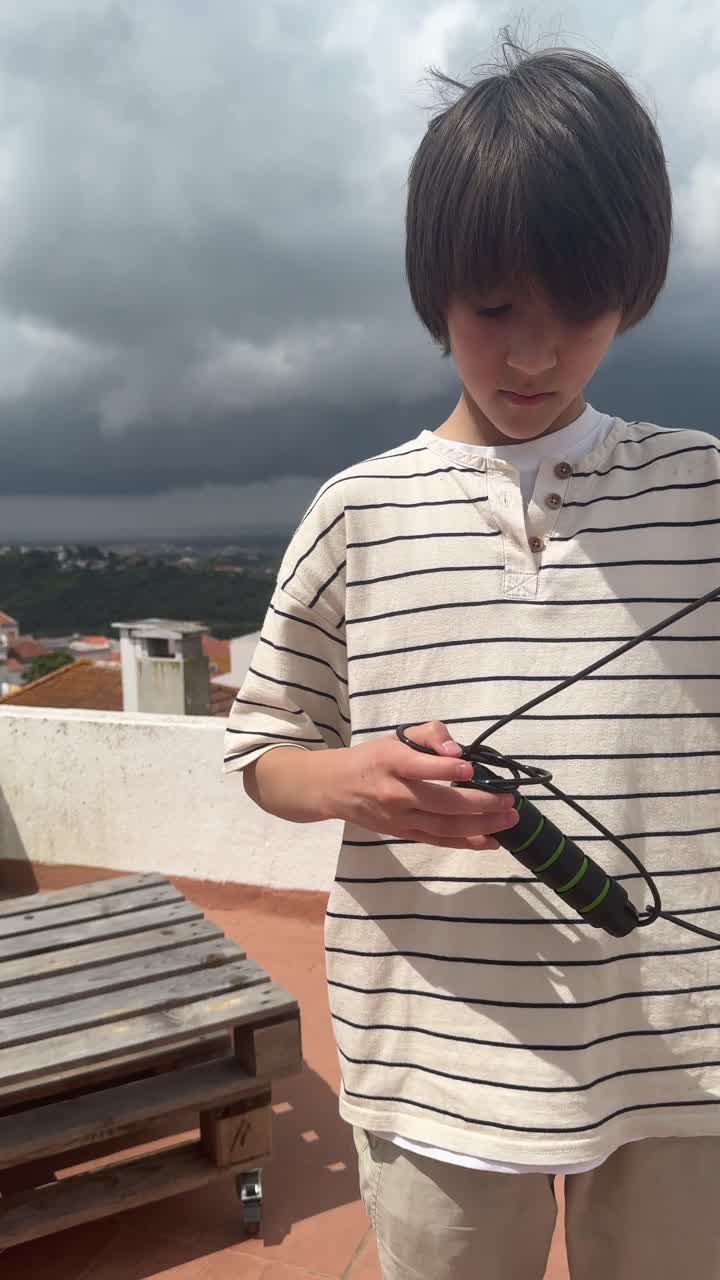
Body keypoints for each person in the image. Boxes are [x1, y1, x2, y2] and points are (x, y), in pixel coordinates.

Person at [223, 32, 720, 1280]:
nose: (536, 358)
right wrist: (359, 779)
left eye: (581, 310)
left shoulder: (708, 492)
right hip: (435, 1060)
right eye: (496, 311)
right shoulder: (355, 511)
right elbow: (266, 753)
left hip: (682, 1049)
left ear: (636, 291)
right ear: (435, 286)